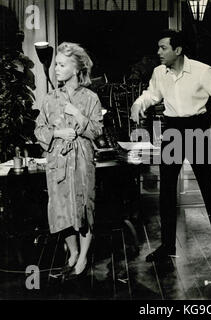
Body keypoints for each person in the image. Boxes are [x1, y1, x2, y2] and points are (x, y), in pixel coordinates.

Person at [131, 29, 211, 264]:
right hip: (172, 130)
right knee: (166, 192)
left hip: (197, 130)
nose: (158, 52)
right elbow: (151, 95)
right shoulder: (158, 72)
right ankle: (167, 246)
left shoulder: (202, 71)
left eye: (163, 48)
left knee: (209, 189)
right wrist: (138, 104)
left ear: (178, 50)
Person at [35, 42, 103, 280]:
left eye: (62, 65)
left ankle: (83, 257)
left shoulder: (91, 98)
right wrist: (56, 133)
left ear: (75, 69)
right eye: (56, 65)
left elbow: (97, 132)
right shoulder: (49, 98)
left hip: (83, 162)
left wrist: (78, 115)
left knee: (84, 209)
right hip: (57, 163)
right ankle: (72, 253)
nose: (56, 69)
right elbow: (39, 129)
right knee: (62, 211)